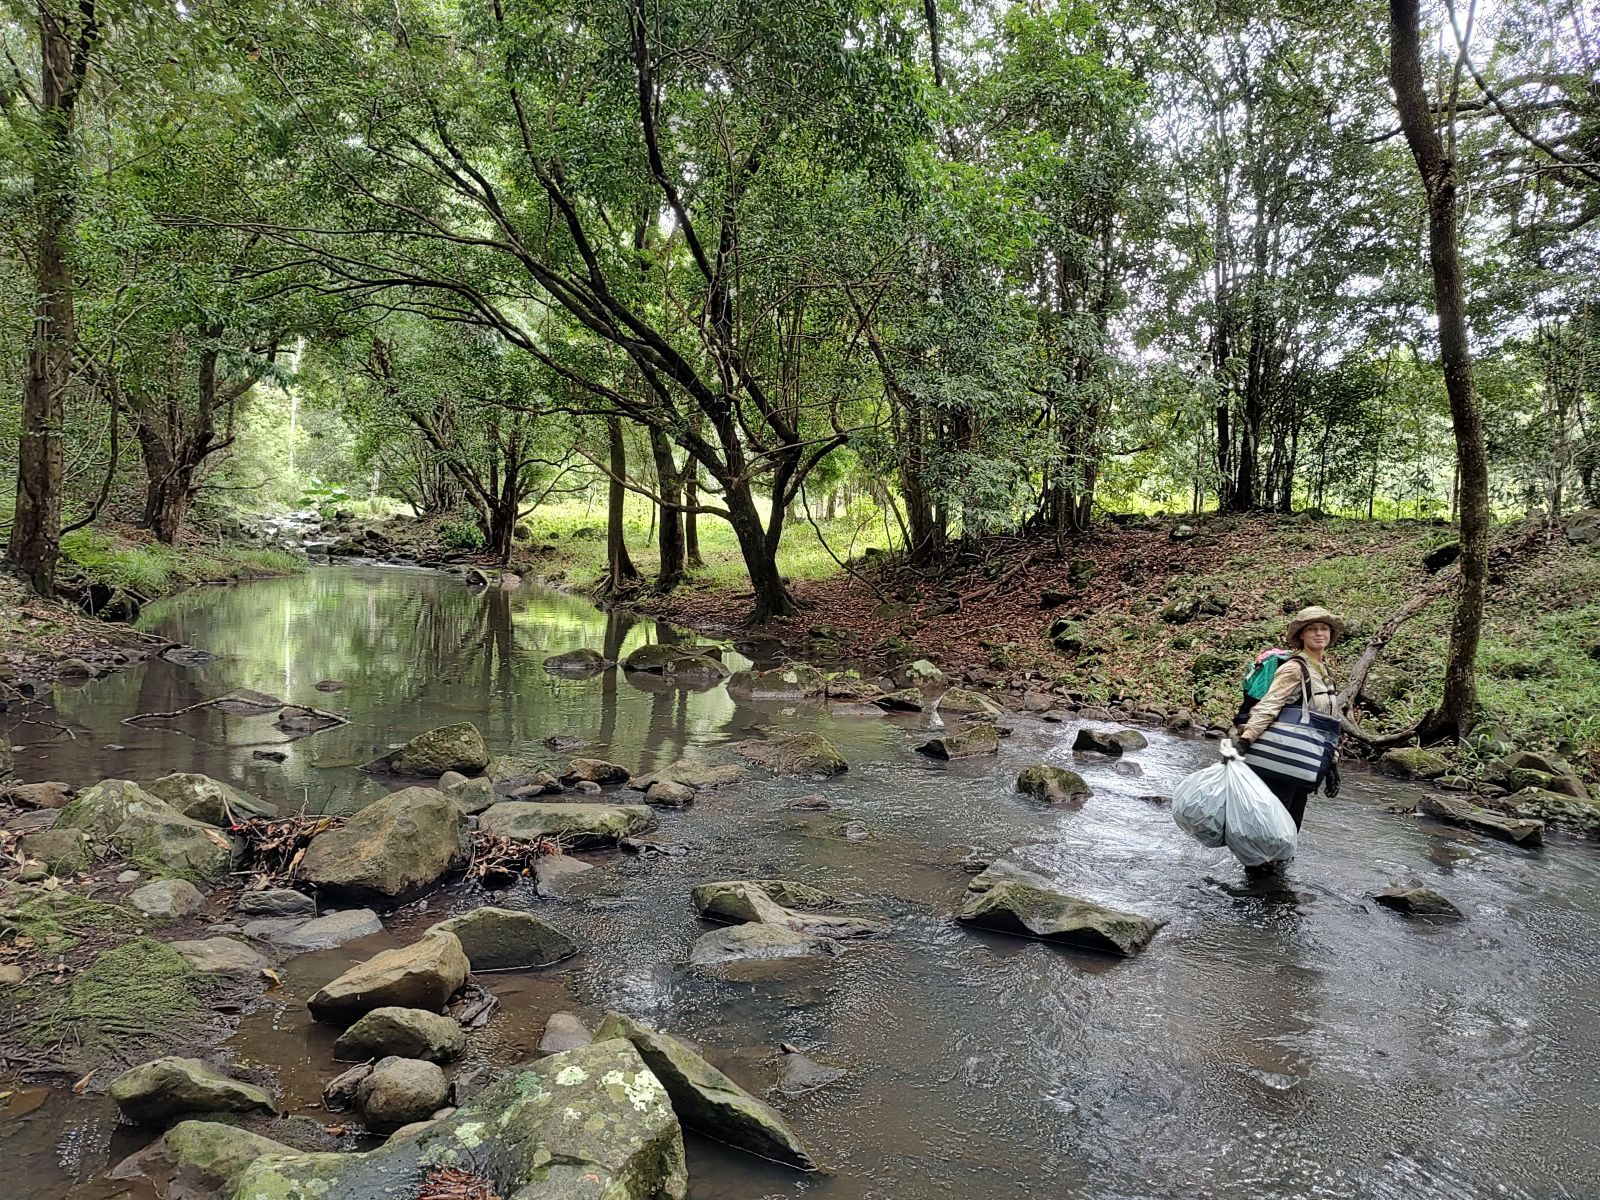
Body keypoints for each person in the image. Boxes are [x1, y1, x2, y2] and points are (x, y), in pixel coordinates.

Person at [1233, 605, 1344, 833]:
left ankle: (1275, 867)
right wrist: (1245, 741)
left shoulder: (1324, 672)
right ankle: (1261, 868)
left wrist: (1332, 763)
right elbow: (1269, 706)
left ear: (1331, 635)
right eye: (1312, 629)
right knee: (1272, 830)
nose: (1319, 633)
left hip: (1305, 763)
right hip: (1281, 759)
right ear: (1301, 635)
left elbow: (1325, 724)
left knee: (1290, 830)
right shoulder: (1294, 668)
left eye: (1324, 628)